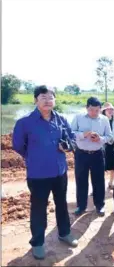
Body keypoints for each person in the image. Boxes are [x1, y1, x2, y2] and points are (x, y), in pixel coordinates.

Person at [12, 85, 78, 260]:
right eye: (43, 97)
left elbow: (72, 138)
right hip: (38, 173)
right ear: (35, 100)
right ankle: (38, 243)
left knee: (62, 204)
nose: (48, 100)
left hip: (60, 171)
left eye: (51, 97)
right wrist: (33, 156)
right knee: (39, 209)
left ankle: (64, 233)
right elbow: (18, 145)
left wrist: (68, 146)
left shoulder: (62, 119)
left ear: (55, 100)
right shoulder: (25, 122)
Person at [71, 97, 113, 217]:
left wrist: (100, 138)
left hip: (97, 154)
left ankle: (100, 206)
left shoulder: (104, 120)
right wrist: (83, 134)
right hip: (81, 154)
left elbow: (109, 137)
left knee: (99, 181)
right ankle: (81, 206)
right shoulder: (78, 118)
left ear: (101, 109)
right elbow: (70, 133)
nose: (94, 113)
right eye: (91, 110)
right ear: (86, 108)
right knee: (81, 180)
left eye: (97, 110)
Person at [101, 102, 114, 190]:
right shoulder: (101, 120)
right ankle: (98, 187)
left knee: (113, 166)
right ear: (104, 111)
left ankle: (111, 183)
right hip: (103, 145)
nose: (110, 111)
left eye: (111, 109)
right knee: (101, 167)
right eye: (108, 109)